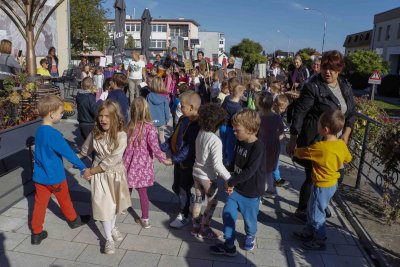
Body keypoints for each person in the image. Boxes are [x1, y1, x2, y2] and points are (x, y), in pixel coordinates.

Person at [286, 50, 356, 222]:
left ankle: (320, 205)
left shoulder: (344, 85)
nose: (327, 72)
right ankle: (303, 210)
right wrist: (293, 139)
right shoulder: (313, 86)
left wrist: (346, 134)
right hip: (317, 138)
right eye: (325, 67)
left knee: (335, 177)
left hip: (338, 142)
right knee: (313, 176)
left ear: (339, 69)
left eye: (332, 68)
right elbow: (300, 112)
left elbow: (352, 113)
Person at [31, 95, 91, 245]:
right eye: (61, 112)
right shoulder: (54, 134)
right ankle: (73, 220)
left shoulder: (39, 131)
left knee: (39, 205)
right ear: (52, 114)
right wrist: (83, 167)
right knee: (65, 200)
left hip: (40, 177)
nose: (62, 114)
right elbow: (69, 153)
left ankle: (36, 233)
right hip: (55, 177)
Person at [292, 110, 352, 250]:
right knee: (314, 208)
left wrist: (294, 151)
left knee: (316, 212)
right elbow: (348, 159)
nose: (316, 127)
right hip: (332, 184)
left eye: (318, 124)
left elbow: (303, 152)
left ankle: (319, 239)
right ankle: (309, 232)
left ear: (325, 130)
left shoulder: (319, 147)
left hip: (321, 185)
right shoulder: (341, 144)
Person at [210, 109, 266, 256]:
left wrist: (230, 182)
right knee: (228, 212)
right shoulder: (239, 142)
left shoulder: (258, 147)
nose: (234, 132)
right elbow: (234, 163)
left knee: (250, 218)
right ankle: (229, 244)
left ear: (250, 130)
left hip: (251, 192)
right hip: (237, 189)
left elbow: (250, 171)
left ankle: (250, 234)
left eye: (237, 130)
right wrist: (222, 170)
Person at [79, 100, 132, 254]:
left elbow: (112, 160)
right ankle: (108, 239)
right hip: (100, 177)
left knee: (114, 206)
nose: (103, 119)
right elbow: (84, 151)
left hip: (115, 174)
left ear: (115, 117)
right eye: (101, 116)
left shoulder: (121, 135)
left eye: (107, 116)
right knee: (104, 207)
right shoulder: (95, 133)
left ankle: (113, 227)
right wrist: (69, 157)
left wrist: (90, 171)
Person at [123, 97, 172, 229]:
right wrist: (163, 159)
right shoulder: (150, 128)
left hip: (128, 162)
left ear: (132, 111)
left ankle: (122, 207)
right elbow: (155, 147)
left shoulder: (129, 126)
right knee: (143, 192)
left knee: (127, 186)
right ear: (146, 111)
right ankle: (145, 219)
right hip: (142, 165)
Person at [161, 91, 201, 228]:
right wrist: (162, 147)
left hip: (188, 164)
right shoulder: (183, 119)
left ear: (191, 107)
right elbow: (173, 136)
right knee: (176, 187)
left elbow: (189, 148)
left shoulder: (196, 125)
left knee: (183, 188)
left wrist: (173, 159)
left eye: (182, 106)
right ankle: (188, 203)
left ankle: (184, 214)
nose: (179, 108)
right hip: (179, 162)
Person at [192, 103, 231, 239]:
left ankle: (195, 226)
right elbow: (218, 165)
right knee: (212, 202)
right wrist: (229, 178)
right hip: (207, 177)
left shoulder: (200, 132)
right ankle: (205, 229)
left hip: (196, 173)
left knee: (198, 199)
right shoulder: (215, 140)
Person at [257, 92, 284, 199]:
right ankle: (271, 190)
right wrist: (276, 138)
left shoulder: (259, 117)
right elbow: (282, 131)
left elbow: (256, 131)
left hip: (263, 146)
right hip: (274, 145)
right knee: (270, 169)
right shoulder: (277, 117)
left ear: (259, 104)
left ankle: (260, 192)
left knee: (262, 169)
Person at [221, 84, 245, 166]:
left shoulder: (227, 99)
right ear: (241, 95)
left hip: (223, 126)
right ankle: (230, 163)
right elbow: (238, 120)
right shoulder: (238, 107)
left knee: (223, 144)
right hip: (231, 129)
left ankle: (222, 160)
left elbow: (221, 109)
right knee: (230, 147)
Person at [272, 95, 290, 187]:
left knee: (275, 162)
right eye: (282, 108)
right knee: (274, 162)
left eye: (284, 108)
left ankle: (276, 178)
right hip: (272, 143)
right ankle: (277, 179)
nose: (283, 110)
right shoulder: (274, 116)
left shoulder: (275, 114)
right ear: (275, 105)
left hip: (273, 143)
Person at [286, 55, 310, 123]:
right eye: (294, 63)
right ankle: (288, 122)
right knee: (290, 107)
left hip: (300, 92)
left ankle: (296, 122)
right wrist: (287, 84)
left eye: (297, 62)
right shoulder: (292, 68)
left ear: (301, 62)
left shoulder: (305, 69)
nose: (296, 64)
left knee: (297, 108)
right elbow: (289, 79)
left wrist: (299, 84)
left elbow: (308, 80)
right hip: (291, 91)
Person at [146, 76, 170, 144]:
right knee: (162, 137)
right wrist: (167, 119)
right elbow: (166, 110)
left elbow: (146, 108)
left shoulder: (149, 96)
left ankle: (152, 151)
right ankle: (162, 150)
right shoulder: (165, 97)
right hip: (161, 121)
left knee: (152, 137)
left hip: (151, 120)